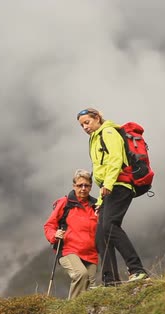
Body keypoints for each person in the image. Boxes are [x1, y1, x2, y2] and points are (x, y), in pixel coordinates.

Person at [77, 108, 149, 286]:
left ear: (97, 118)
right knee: (101, 234)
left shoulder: (108, 132)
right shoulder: (95, 138)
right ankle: (110, 281)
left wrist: (108, 184)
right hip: (109, 188)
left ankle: (137, 270)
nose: (85, 127)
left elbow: (115, 159)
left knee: (110, 226)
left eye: (87, 122)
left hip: (119, 185)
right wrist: (101, 201)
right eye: (81, 125)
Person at [44, 169, 99, 299]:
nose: (83, 188)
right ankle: (71, 311)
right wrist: (54, 235)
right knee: (81, 274)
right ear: (74, 186)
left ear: (91, 187)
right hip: (69, 250)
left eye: (87, 185)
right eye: (80, 185)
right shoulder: (65, 202)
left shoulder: (95, 205)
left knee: (90, 288)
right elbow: (49, 225)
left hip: (91, 253)